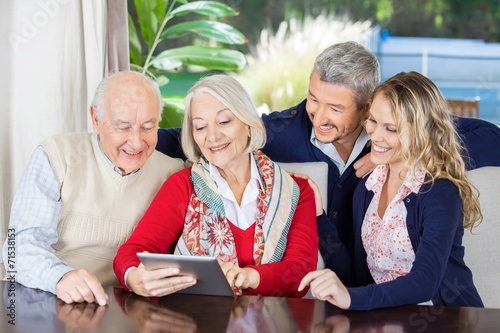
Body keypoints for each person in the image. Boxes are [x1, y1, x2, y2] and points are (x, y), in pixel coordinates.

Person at [155, 42, 500, 285]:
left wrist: (399, 151)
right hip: (327, 280)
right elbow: (192, 135)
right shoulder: (283, 132)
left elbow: (488, 136)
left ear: (367, 107)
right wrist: (135, 136)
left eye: (335, 109)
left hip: (375, 287)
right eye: (313, 99)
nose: (319, 117)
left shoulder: (390, 130)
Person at [113, 74, 318, 298]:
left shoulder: (296, 190)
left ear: (248, 125)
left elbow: (300, 273)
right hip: (196, 319)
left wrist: (249, 276)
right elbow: (131, 253)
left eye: (224, 122)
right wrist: (134, 278)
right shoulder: (183, 185)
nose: (212, 136)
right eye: (200, 127)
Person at [298, 71, 484, 310]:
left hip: (446, 318)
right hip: (388, 318)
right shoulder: (368, 187)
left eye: (392, 129)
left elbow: (425, 282)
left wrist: (353, 299)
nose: (375, 135)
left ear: (420, 133)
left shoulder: (440, 193)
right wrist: (318, 217)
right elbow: (356, 275)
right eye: (373, 121)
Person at [2, 71, 185, 306]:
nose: (137, 142)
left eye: (148, 127)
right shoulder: (57, 156)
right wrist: (60, 277)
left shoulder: (173, 174)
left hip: (123, 310)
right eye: (123, 127)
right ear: (96, 119)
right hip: (45, 300)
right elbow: (18, 248)